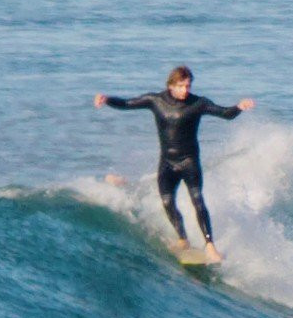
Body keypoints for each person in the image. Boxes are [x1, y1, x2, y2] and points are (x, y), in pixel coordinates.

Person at [95, 66, 254, 263]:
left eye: (188, 86)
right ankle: (182, 239)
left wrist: (239, 107)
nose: (185, 90)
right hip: (167, 163)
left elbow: (225, 113)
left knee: (197, 200)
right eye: (180, 86)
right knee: (167, 202)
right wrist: (107, 99)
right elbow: (127, 103)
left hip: (189, 162)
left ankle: (210, 246)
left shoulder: (198, 103)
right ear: (170, 85)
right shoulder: (156, 100)